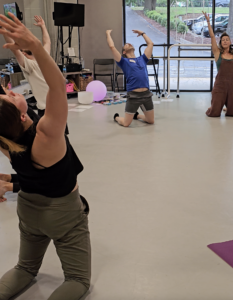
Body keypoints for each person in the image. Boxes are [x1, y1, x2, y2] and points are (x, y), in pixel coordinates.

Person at [0, 13, 91, 300]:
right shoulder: (47, 134)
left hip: (28, 209)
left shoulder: (4, 140)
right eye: (7, 95)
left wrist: (18, 44)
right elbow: (57, 86)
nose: (9, 90)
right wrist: (36, 47)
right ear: (21, 111)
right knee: (77, 281)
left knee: (25, 269)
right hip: (62, 214)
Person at [106, 29, 155, 127]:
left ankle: (138, 116)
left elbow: (150, 44)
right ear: (124, 52)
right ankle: (116, 117)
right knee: (126, 123)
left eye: (129, 43)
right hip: (133, 96)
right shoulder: (123, 61)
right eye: (126, 44)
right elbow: (112, 46)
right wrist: (108, 33)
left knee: (151, 121)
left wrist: (142, 34)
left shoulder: (142, 59)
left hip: (146, 95)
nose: (128, 44)